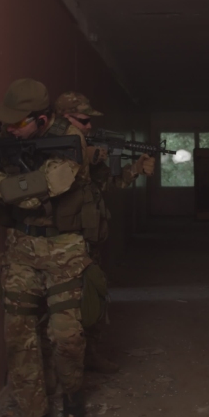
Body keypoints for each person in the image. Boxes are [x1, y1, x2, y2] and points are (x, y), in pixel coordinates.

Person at [0, 79, 93, 417]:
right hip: (20, 248)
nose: (11, 130)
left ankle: (73, 392)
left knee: (65, 337)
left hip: (64, 250)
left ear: (42, 120)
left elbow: (27, 195)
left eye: (18, 123)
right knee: (18, 335)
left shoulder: (70, 145)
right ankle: (34, 415)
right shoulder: (10, 134)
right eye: (8, 123)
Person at [53, 91, 155, 374]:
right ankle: (66, 370)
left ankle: (91, 355)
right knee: (66, 315)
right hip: (62, 245)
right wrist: (83, 157)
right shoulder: (52, 147)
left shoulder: (86, 146)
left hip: (90, 239)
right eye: (83, 120)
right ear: (64, 119)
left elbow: (108, 184)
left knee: (94, 300)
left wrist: (135, 169)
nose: (88, 127)